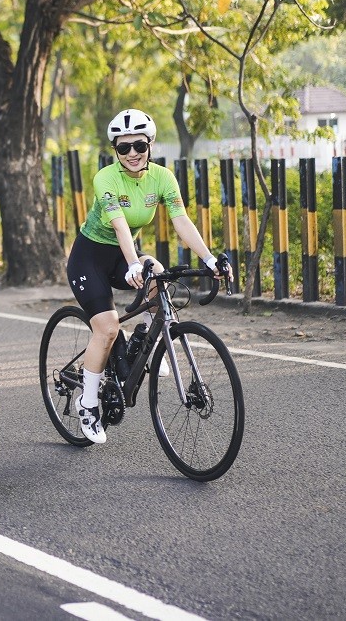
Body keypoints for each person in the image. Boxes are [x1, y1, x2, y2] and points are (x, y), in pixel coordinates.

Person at [66, 108, 233, 444]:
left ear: (150, 144)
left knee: (157, 271)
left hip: (125, 255)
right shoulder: (106, 178)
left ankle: (152, 342)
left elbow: (181, 220)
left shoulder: (162, 178)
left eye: (138, 146)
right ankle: (87, 402)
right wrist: (132, 263)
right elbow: (120, 226)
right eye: (123, 147)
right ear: (115, 150)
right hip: (90, 258)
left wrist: (210, 258)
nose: (131, 154)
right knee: (109, 327)